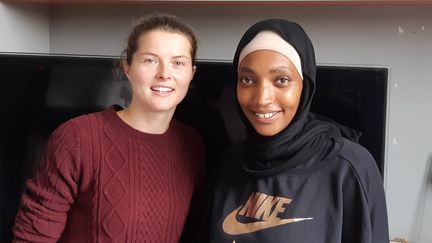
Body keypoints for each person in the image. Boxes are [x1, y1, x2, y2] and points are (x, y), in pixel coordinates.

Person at [12, 13, 205, 242]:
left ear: (191, 74)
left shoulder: (192, 143)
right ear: (128, 68)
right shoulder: (78, 137)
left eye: (178, 63)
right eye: (150, 60)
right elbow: (33, 237)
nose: (164, 73)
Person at [205, 18, 389, 242]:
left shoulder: (348, 167)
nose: (262, 99)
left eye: (281, 80)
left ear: (305, 86)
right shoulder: (229, 163)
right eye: (247, 79)